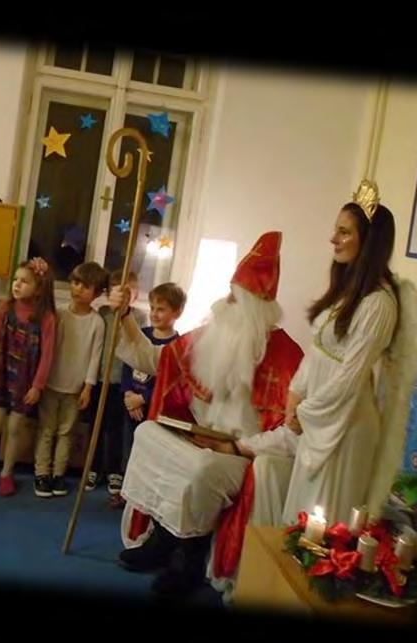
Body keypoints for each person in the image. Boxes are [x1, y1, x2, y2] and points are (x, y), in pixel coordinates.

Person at [110, 232, 303, 595]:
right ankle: (164, 535)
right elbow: (156, 360)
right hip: (198, 442)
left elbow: (293, 434)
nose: (224, 303)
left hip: (239, 455)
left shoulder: (288, 357)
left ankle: (188, 558)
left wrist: (238, 448)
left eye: (235, 298)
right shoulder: (211, 336)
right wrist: (124, 317)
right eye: (228, 293)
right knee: (147, 434)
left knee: (204, 470)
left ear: (256, 308)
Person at [281, 187, 417, 526]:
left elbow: (349, 378)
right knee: (299, 519)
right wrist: (294, 394)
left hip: (345, 426)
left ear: (367, 241)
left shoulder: (379, 304)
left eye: (344, 232)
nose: (333, 239)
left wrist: (306, 412)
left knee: (322, 529)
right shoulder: (345, 293)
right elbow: (318, 351)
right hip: (320, 418)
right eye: (336, 230)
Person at [0, 257, 57, 496]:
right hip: (2, 374)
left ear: (39, 288)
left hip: (24, 380)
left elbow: (47, 355)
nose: (17, 285)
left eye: (24, 281)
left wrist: (37, 386)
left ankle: (7, 473)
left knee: (15, 428)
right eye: (15, 280)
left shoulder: (46, 318)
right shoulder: (4, 309)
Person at [33, 261, 108, 498]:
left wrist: (88, 387)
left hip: (76, 388)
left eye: (86, 287)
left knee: (67, 432)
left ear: (96, 293)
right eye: (76, 283)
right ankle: (41, 473)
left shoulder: (97, 322)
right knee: (46, 429)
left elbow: (95, 357)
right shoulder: (60, 314)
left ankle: (58, 474)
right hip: (51, 382)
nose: (78, 289)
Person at [114, 282, 185, 502]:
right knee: (128, 446)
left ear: (177, 312)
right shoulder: (143, 333)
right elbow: (131, 360)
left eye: (161, 309)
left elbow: (168, 381)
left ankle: (141, 491)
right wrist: (128, 395)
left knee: (149, 452)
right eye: (152, 308)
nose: (154, 313)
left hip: (152, 407)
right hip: (131, 403)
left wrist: (143, 399)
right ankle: (126, 488)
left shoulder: (179, 345)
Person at [86, 269, 148, 496]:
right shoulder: (102, 313)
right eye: (116, 291)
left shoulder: (139, 318)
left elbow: (141, 350)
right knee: (96, 425)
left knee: (116, 429)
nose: (122, 295)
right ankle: (93, 468)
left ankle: (114, 470)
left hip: (122, 383)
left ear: (136, 293)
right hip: (101, 378)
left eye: (128, 291)